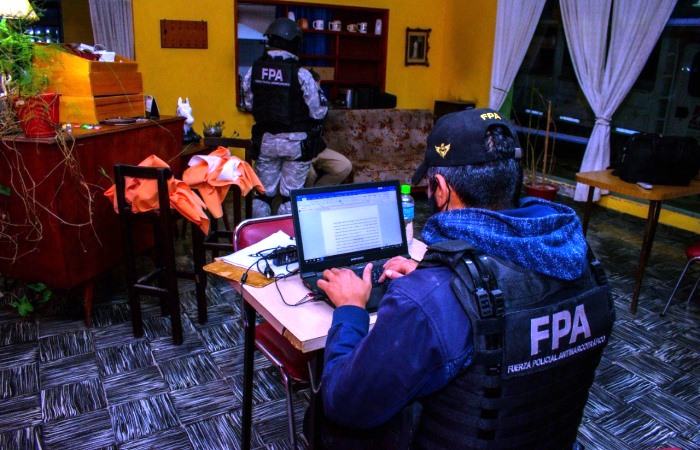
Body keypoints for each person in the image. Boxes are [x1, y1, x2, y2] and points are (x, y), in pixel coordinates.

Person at [311, 108, 616, 449]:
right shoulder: (583, 262)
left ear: (440, 189)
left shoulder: (425, 301)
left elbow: (345, 404)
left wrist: (352, 308)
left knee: (323, 414)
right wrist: (442, 275)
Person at [242, 17, 327, 217]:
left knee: (262, 194)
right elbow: (318, 112)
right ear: (295, 43)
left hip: (267, 141)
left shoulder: (254, 71)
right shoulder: (301, 74)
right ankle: (286, 234)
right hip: (295, 144)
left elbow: (249, 104)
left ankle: (259, 233)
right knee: (291, 197)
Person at [305, 68, 352, 187]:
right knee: (309, 174)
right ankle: (303, 197)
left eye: (318, 87)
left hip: (317, 149)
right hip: (299, 151)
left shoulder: (320, 103)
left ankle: (317, 194)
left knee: (344, 166)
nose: (317, 92)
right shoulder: (295, 103)